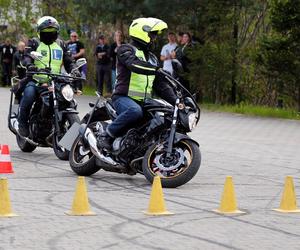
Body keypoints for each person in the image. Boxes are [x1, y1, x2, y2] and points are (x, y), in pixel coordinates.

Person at [98, 17, 177, 150]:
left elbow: (161, 87)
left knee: (162, 116)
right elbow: (134, 64)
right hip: (123, 97)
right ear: (142, 33)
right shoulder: (126, 49)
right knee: (134, 111)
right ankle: (106, 135)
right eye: (152, 35)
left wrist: (178, 103)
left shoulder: (152, 58)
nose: (154, 39)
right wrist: (156, 70)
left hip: (144, 101)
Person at [17, 16, 78, 137]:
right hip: (36, 80)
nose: (49, 35)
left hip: (56, 81)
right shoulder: (34, 42)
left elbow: (69, 61)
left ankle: (69, 144)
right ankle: (22, 123)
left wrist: (75, 70)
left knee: (69, 101)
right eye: (46, 32)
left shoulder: (61, 44)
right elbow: (26, 56)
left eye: (52, 32)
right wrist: (29, 65)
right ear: (39, 32)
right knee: (29, 95)